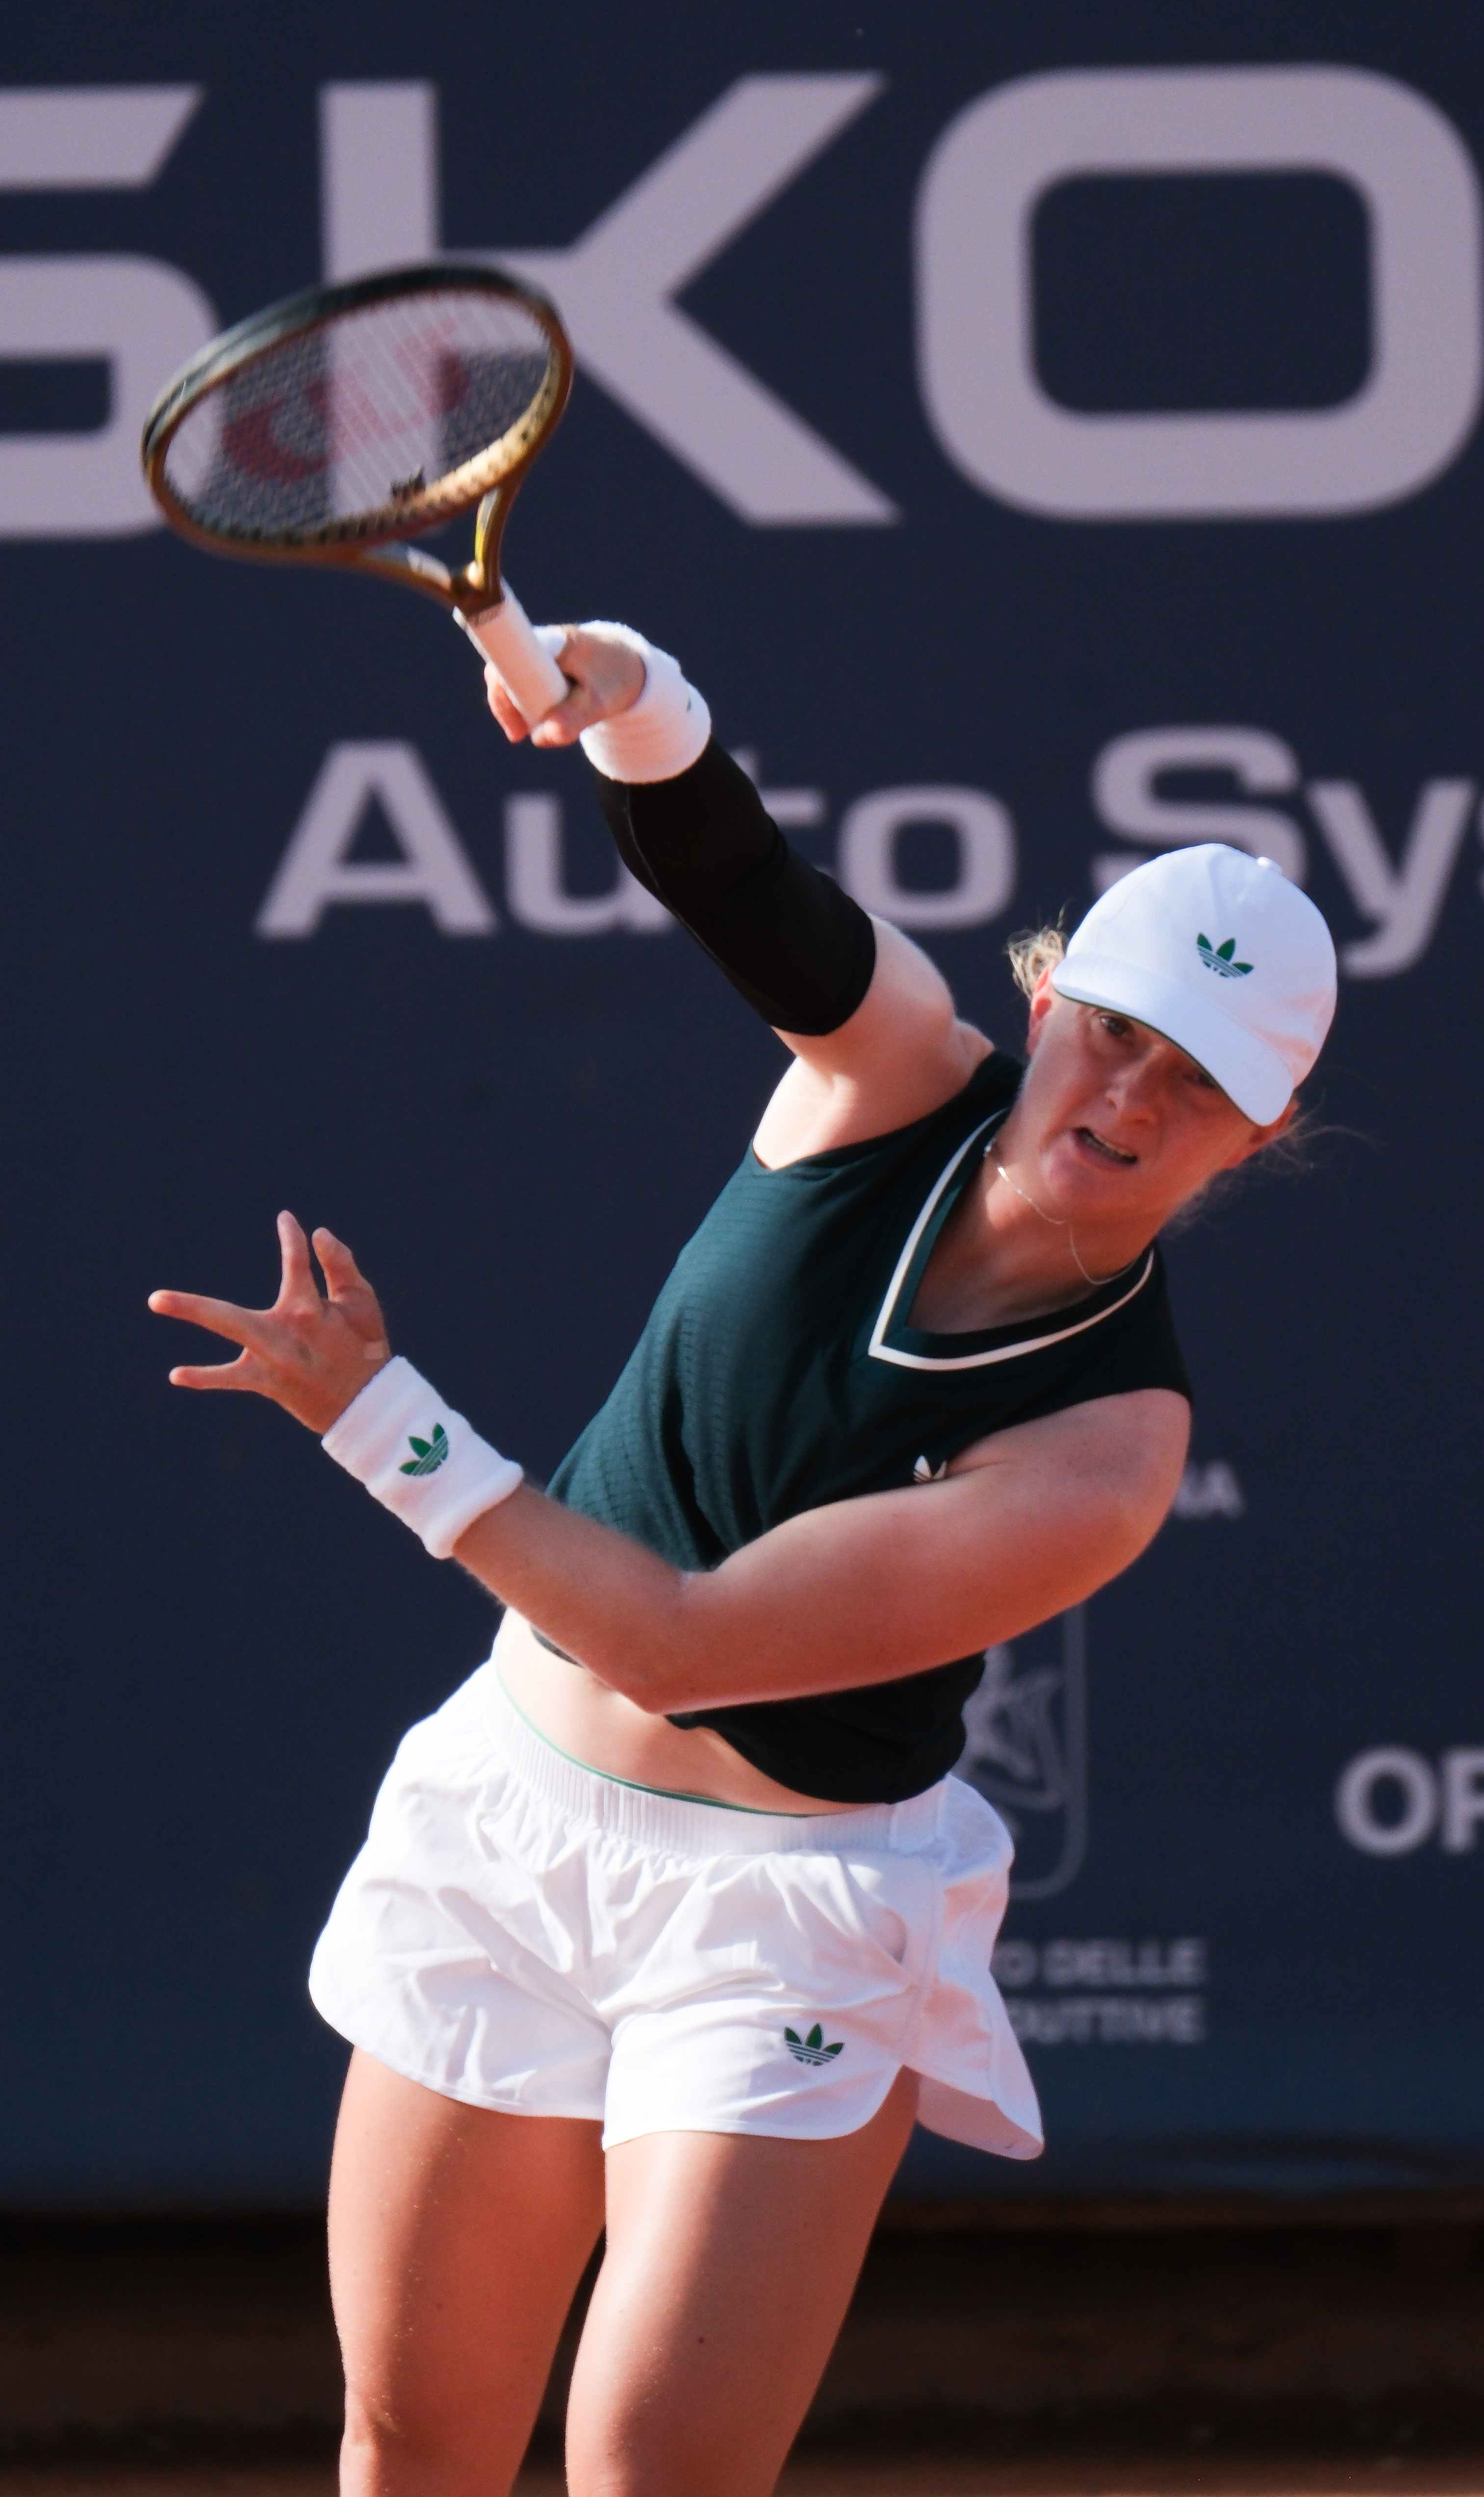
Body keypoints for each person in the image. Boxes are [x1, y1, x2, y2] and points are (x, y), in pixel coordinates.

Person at [151, 619, 1338, 2497]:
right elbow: (744, 880)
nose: (1127, 1101)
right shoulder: (888, 1072)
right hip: (506, 1835)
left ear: (1260, 1133)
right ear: (1046, 1004)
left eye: (1198, 1083)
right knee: (411, 2442)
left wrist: (380, 1419)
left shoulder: (1109, 1452)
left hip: (786, 1916)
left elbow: (685, 1646)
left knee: (653, 2475)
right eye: (1115, 1034)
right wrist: (640, 712)